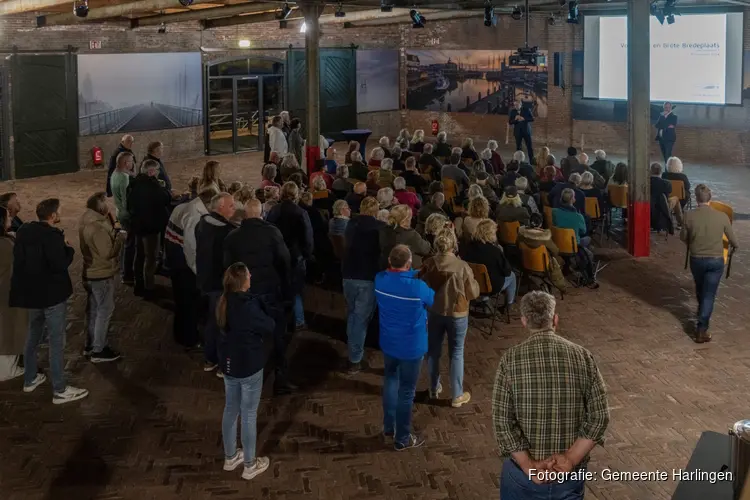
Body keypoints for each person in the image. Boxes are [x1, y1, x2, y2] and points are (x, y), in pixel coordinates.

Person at [492, 291, 609, 499]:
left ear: (524, 321)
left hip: (522, 477)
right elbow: (599, 416)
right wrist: (570, 459)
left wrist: (529, 465)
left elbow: (502, 421)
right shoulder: (583, 357)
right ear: (555, 319)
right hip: (568, 476)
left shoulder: (509, 360)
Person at [10, 199, 89, 404]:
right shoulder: (52, 236)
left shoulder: (24, 232)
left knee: (33, 336)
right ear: (53, 216)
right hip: (51, 296)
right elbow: (60, 264)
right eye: (60, 211)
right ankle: (60, 390)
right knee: (56, 342)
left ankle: (30, 379)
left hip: (31, 294)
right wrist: (68, 249)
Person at [224, 199, 294, 395]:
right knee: (278, 334)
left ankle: (248, 381)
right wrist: (287, 290)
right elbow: (284, 261)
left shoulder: (232, 237)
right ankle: (280, 377)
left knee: (248, 336)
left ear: (245, 215)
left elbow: (228, 268)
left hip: (244, 294)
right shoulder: (272, 233)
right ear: (261, 213)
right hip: (270, 291)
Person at [216, 262, 274, 480]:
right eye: (249, 273)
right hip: (249, 365)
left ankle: (230, 456)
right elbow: (268, 326)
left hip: (229, 365)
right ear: (243, 281)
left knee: (231, 408)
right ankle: (250, 464)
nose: (252, 275)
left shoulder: (222, 302)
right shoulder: (248, 307)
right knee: (249, 413)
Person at [375, 245, 435, 450]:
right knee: (407, 392)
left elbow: (398, 278)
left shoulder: (379, 279)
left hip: (389, 342)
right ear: (409, 263)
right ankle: (402, 438)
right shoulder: (417, 288)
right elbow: (432, 299)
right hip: (411, 347)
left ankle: (388, 426)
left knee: (391, 381)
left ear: (390, 261)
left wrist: (415, 272)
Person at [419, 228, 478, 408]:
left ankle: (433, 387)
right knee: (457, 353)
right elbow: (473, 293)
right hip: (457, 313)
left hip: (435, 311)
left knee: (433, 352)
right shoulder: (462, 266)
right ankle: (456, 395)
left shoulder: (428, 264)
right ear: (454, 245)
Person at [681, 184, 738, 343]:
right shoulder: (722, 217)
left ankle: (701, 312)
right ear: (710, 198)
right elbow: (734, 240)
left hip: (696, 259)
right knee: (709, 294)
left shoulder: (688, 216)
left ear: (696, 198)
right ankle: (701, 329)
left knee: (700, 288)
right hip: (715, 260)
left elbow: (683, 237)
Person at [165, 187, 216, 349]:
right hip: (183, 265)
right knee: (187, 302)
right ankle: (188, 338)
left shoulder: (184, 206)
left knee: (181, 300)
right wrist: (199, 273)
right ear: (207, 203)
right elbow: (190, 249)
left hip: (173, 258)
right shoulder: (194, 217)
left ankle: (182, 332)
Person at [79, 192, 127, 363]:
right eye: (106, 202)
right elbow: (107, 253)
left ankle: (90, 345)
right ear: (100, 206)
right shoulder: (97, 227)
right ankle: (99, 350)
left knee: (93, 310)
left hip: (91, 271)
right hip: (101, 273)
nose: (109, 205)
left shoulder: (89, 219)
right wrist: (120, 239)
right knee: (104, 311)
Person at [340, 197, 384, 373]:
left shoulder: (351, 225)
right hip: (366, 278)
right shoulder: (378, 228)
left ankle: (353, 346)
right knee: (359, 319)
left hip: (348, 276)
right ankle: (354, 359)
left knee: (353, 314)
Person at [196, 192, 237, 373]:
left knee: (212, 322)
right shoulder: (227, 232)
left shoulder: (202, 224)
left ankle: (209, 359)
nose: (234, 209)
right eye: (231, 206)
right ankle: (223, 365)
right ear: (220, 207)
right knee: (223, 324)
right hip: (219, 284)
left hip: (204, 280)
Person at [266, 182, 313, 331]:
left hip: (277, 256)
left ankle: (279, 322)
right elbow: (307, 237)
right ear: (296, 194)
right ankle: (299, 321)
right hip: (295, 256)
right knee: (296, 290)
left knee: (279, 287)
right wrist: (306, 254)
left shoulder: (274, 210)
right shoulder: (300, 212)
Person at [126, 160, 171, 297]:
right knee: (151, 257)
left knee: (139, 256)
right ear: (151, 172)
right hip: (151, 228)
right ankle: (149, 286)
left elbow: (129, 205)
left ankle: (138, 284)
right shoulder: (153, 186)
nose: (158, 174)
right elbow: (164, 199)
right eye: (157, 171)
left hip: (138, 226)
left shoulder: (134, 184)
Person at [461, 219, 517, 311]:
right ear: (490, 234)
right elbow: (507, 271)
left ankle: (484, 300)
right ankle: (509, 305)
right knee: (512, 276)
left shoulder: (468, 247)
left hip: (472, 283)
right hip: (491, 287)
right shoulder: (495, 251)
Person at [0, 206, 26, 381]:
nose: (11, 219)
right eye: (7, 217)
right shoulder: (5, 245)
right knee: (9, 331)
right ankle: (7, 370)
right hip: (7, 295)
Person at [553, 188, 597, 286]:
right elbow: (583, 231)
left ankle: (573, 263)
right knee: (588, 239)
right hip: (574, 244)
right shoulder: (578, 217)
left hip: (558, 242)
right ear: (573, 199)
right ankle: (581, 266)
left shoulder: (554, 212)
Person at [518, 213, 567, 293]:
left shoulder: (521, 235)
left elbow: (518, 246)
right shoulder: (545, 238)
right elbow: (555, 251)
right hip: (544, 267)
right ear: (540, 224)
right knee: (558, 260)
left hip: (525, 264)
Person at [109, 151, 136, 284]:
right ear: (126, 163)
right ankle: (127, 274)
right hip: (126, 214)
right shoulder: (124, 178)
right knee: (130, 245)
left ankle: (122, 269)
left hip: (118, 211)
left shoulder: (115, 174)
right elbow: (127, 200)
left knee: (126, 243)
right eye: (131, 161)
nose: (133, 163)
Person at [379, 204, 431, 270]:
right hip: (408, 271)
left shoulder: (382, 230)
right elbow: (425, 249)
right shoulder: (411, 234)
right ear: (407, 219)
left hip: (385, 267)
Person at [650, 162, 683, 230]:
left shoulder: (646, 182)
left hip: (648, 207)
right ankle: (681, 223)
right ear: (661, 171)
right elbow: (669, 193)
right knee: (676, 199)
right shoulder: (666, 183)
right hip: (662, 209)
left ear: (650, 171)